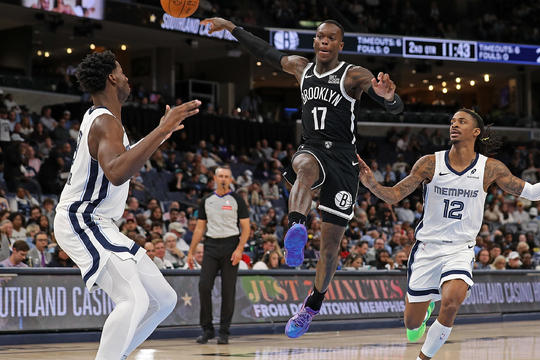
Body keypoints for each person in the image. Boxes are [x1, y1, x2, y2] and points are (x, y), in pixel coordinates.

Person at [199, 17, 403, 339]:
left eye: (330, 38)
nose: (323, 41)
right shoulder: (300, 68)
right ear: (315, 41)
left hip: (343, 158)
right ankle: (296, 227)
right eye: (319, 36)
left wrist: (389, 98)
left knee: (331, 246)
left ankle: (311, 306)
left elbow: (391, 105)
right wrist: (229, 27)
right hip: (312, 147)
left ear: (339, 44)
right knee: (303, 167)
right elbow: (264, 51)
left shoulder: (353, 75)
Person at [358, 108, 540, 360]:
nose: (454, 125)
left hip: (460, 249)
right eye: (452, 121)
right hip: (427, 248)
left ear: (476, 132)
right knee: (411, 324)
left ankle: (423, 358)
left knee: (452, 302)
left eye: (461, 121)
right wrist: (371, 184)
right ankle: (423, 310)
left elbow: (532, 193)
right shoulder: (430, 163)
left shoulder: (491, 168)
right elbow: (395, 195)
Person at [53, 51, 199, 359]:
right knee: (133, 298)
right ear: (112, 78)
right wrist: (161, 129)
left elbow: (122, 160)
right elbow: (117, 173)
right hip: (83, 219)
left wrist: (162, 133)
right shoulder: (106, 122)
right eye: (123, 71)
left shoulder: (105, 120)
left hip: (100, 222)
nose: (128, 78)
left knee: (164, 299)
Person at [186, 166, 250, 345]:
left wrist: (239, 249)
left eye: (226, 176)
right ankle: (207, 329)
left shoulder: (237, 199)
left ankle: (224, 331)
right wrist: (191, 252)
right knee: (204, 286)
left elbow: (246, 228)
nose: (223, 179)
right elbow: (199, 228)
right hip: (211, 246)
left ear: (231, 180)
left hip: (231, 245)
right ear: (215, 178)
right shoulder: (206, 200)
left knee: (228, 291)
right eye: (220, 176)